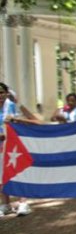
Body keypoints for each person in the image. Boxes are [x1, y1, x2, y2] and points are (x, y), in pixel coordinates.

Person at [0, 83, 32, 216]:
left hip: (13, 146)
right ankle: (5, 204)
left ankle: (23, 202)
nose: (0, 95)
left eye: (1, 92)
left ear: (7, 93)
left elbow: (20, 122)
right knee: (1, 175)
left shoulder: (11, 106)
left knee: (18, 172)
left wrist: (13, 120)